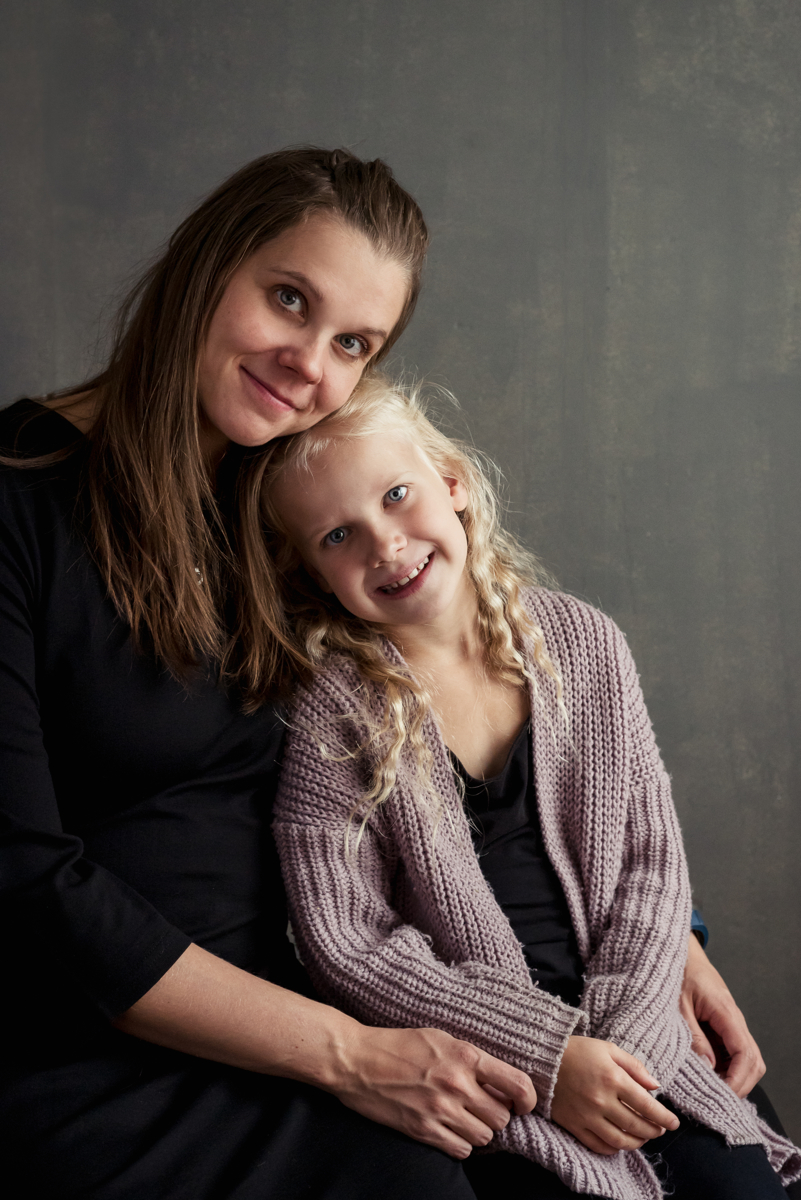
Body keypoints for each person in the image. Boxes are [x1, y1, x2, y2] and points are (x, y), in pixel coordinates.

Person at [0, 144, 775, 1200]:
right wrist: (351, 1055)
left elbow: (501, 728)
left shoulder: (288, 501)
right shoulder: (21, 500)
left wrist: (666, 936)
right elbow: (21, 878)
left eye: (352, 343)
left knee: (716, 1139)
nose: (306, 364)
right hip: (112, 1039)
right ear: (204, 264)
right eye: (287, 298)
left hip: (348, 1003)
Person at [265, 376, 801, 1199]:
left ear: (452, 482)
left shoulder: (584, 644)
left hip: (640, 1034)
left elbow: (651, 863)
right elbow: (347, 944)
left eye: (397, 495)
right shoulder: (334, 714)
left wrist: (626, 1047)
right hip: (489, 1068)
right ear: (310, 570)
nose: (385, 545)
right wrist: (549, 1060)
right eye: (339, 535)